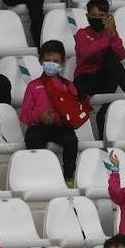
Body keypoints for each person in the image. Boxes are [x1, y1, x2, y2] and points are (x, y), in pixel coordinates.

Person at [74, 0, 125, 137]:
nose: (97, 18)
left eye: (101, 15)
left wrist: (113, 33)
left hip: (105, 80)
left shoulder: (110, 32)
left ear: (108, 16)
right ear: (87, 16)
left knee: (110, 57)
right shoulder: (82, 33)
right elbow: (86, 54)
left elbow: (120, 55)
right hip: (86, 78)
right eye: (93, 15)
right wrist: (108, 36)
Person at [21, 40, 88, 182]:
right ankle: (39, 177)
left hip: (61, 127)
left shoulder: (68, 86)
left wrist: (58, 118)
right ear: (40, 61)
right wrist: (40, 117)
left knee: (71, 140)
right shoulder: (33, 86)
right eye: (47, 60)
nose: (51, 64)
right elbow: (25, 115)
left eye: (55, 61)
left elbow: (74, 111)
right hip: (39, 127)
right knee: (32, 137)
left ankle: (68, 178)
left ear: (63, 63)